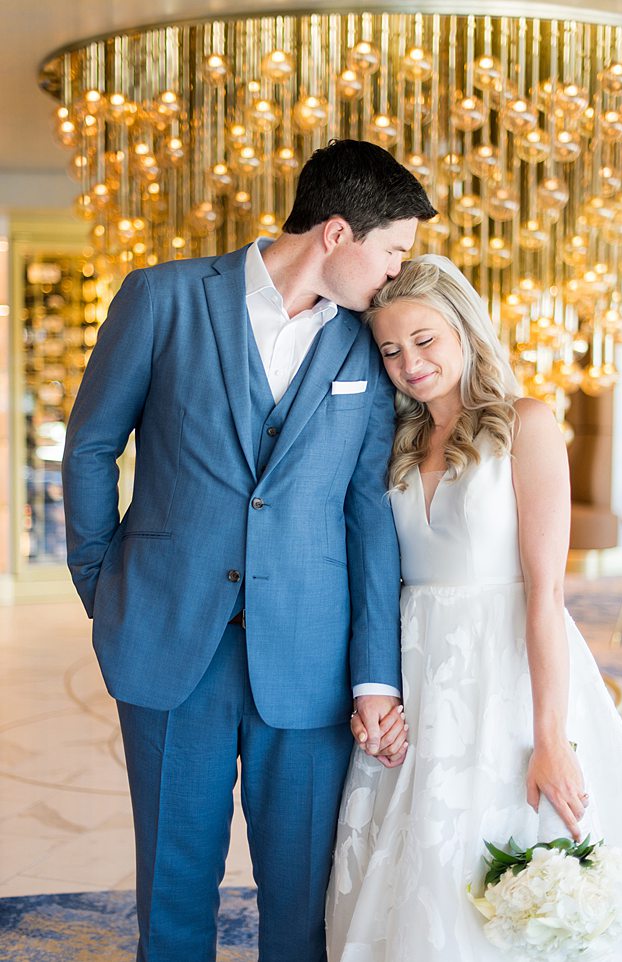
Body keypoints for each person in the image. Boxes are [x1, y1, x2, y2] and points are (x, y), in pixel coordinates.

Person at [61, 139, 436, 962]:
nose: (396, 275)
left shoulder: (367, 346)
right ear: (337, 234)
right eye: (394, 252)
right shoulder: (161, 298)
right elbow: (91, 446)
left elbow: (367, 514)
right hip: (167, 638)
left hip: (308, 654)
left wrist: (375, 672)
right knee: (173, 889)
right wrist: (104, 580)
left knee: (302, 903)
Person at [326, 254, 622, 961]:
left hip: (505, 667)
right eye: (392, 349)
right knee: (408, 859)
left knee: (498, 848)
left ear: (464, 329)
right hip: (418, 666)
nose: (410, 363)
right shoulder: (397, 443)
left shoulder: (524, 424)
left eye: (425, 340)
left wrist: (551, 737)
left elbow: (546, 593)